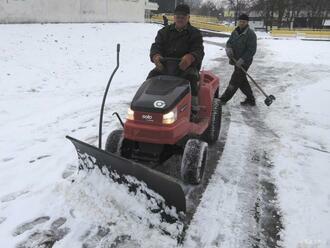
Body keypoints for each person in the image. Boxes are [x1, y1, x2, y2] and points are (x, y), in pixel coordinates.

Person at [148, 4, 204, 112]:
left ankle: (193, 109)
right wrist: (156, 56)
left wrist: (191, 57)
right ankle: (150, 106)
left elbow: (199, 51)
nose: (180, 19)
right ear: (174, 17)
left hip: (186, 68)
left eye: (183, 17)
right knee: (152, 76)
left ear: (188, 18)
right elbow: (156, 46)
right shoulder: (164, 32)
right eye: (178, 16)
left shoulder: (195, 33)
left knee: (192, 78)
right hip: (165, 67)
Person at [220, 13, 257, 106]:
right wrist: (229, 48)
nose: (241, 23)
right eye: (240, 21)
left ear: (247, 22)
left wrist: (242, 59)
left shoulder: (250, 34)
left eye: (243, 22)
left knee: (235, 80)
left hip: (245, 62)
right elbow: (229, 42)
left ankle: (223, 99)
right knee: (241, 80)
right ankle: (250, 99)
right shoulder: (235, 32)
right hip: (235, 60)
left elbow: (251, 50)